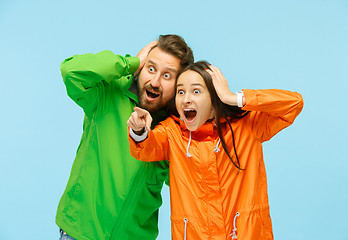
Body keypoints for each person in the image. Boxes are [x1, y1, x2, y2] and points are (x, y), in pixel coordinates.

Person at [127, 61, 304, 239]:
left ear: (214, 97)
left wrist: (234, 98)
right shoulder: (172, 132)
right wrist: (139, 130)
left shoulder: (247, 126)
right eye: (181, 92)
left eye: (196, 91)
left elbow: (294, 104)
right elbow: (146, 147)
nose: (186, 98)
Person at [56, 34, 194, 240]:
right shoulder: (108, 92)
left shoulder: (175, 130)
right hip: (80, 233)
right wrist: (131, 63)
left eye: (167, 76)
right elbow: (71, 71)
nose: (154, 82)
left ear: (178, 85)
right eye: (151, 68)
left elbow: (188, 186)